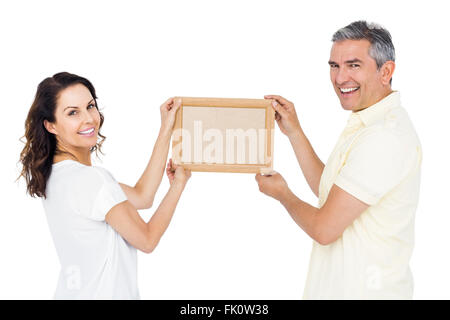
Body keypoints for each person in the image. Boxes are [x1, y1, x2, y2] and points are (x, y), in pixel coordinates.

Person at [256, 21, 422, 299]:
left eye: (354, 65)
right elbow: (331, 191)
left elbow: (324, 229)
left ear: (386, 71)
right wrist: (294, 131)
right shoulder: (368, 122)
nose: (340, 77)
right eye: (334, 65)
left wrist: (284, 195)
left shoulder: (384, 136)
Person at [19, 72, 191, 299]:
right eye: (72, 113)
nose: (89, 118)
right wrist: (178, 186)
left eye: (90, 106)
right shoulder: (92, 180)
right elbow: (147, 239)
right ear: (51, 125)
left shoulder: (56, 176)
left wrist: (166, 128)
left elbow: (142, 196)